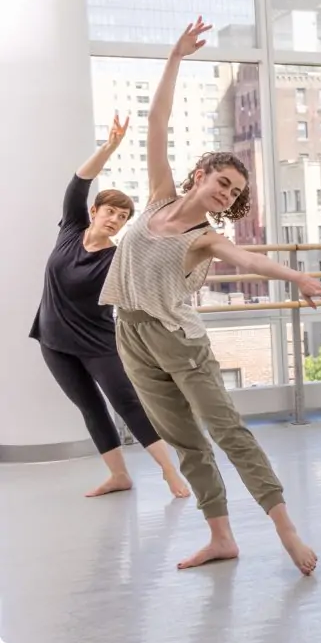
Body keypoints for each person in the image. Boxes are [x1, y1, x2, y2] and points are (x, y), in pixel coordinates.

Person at [99, 18, 321, 574]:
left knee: (228, 432)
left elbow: (249, 261)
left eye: (233, 191)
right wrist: (176, 56)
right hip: (129, 333)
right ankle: (221, 537)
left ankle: (286, 530)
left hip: (179, 342)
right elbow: (157, 122)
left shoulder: (206, 237)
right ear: (201, 174)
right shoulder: (159, 198)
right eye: (222, 181)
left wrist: (298, 278)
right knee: (186, 443)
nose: (226, 192)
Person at [30, 113, 190, 500]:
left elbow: (153, 272)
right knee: (90, 407)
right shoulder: (71, 228)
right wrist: (109, 147)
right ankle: (118, 475)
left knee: (127, 403)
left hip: (99, 343)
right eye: (111, 212)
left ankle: (170, 472)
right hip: (52, 339)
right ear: (94, 212)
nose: (116, 219)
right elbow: (78, 184)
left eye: (122, 217)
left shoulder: (118, 258)